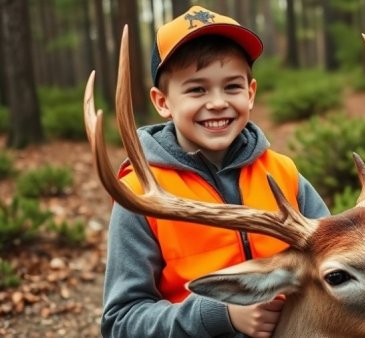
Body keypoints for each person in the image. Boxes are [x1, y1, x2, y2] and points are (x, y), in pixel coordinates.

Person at [100, 5, 329, 338]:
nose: (218, 102)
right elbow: (120, 321)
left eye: (232, 87)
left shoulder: (283, 172)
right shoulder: (139, 195)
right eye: (197, 89)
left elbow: (332, 257)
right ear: (162, 101)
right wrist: (220, 314)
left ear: (250, 94)